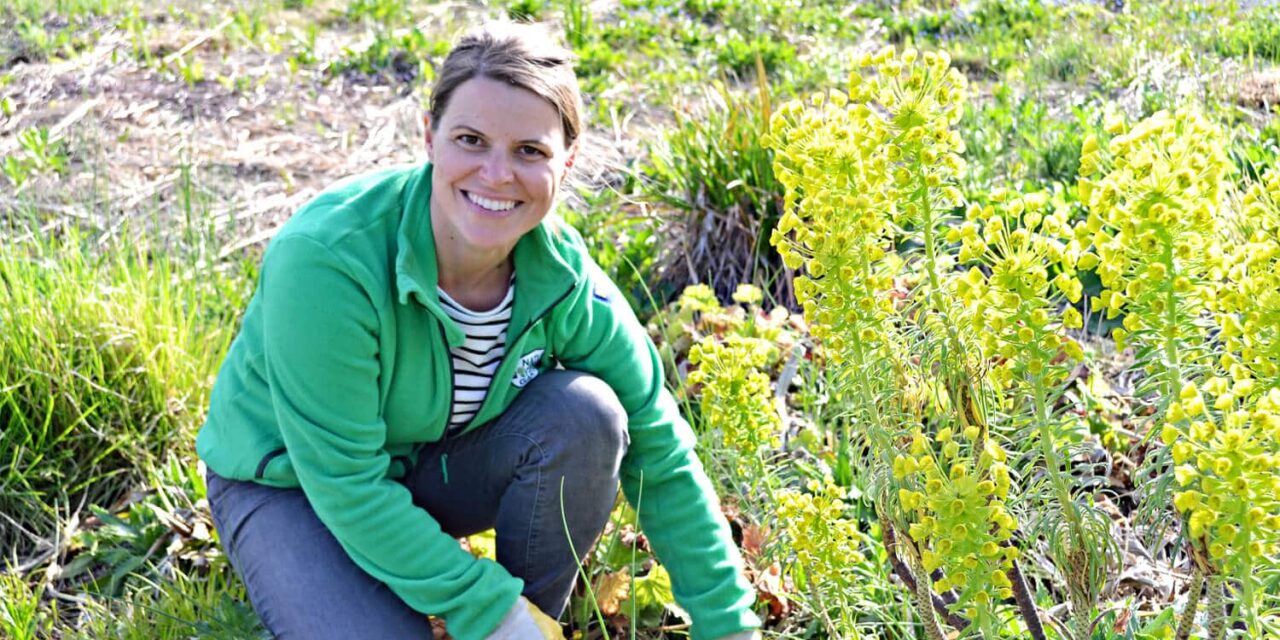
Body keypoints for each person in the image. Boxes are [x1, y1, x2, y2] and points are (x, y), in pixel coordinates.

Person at [196, 21, 761, 640]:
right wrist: (489, 608)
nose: (496, 175)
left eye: (529, 151)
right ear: (430, 137)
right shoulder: (328, 262)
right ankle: (496, 617)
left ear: (565, 163)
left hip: (430, 470)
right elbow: (346, 482)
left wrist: (729, 626)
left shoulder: (565, 283)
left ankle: (527, 621)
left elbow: (662, 452)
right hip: (293, 486)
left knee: (586, 415)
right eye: (471, 139)